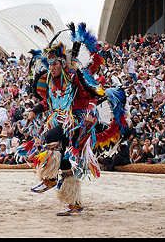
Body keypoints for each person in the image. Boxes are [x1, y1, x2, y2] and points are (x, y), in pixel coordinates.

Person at [24, 22, 128, 216]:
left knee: (50, 139)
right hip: (58, 120)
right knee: (65, 163)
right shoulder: (49, 81)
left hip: (76, 122)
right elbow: (47, 102)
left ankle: (49, 178)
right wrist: (34, 111)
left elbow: (92, 96)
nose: (51, 67)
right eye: (50, 63)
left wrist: (90, 113)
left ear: (62, 63)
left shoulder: (74, 77)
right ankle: (74, 203)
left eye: (55, 63)